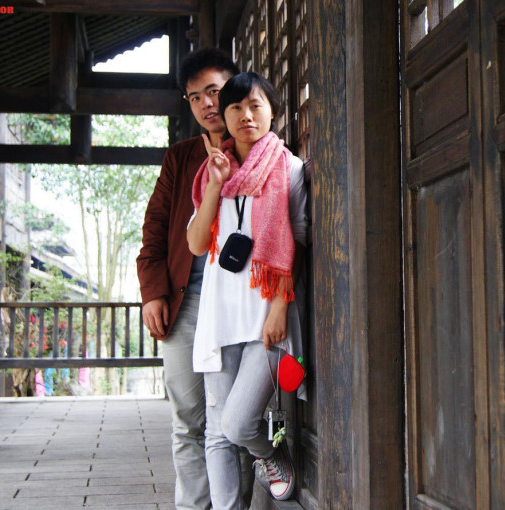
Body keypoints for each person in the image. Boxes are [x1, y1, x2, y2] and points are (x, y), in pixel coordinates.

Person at [187, 71, 308, 508]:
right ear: (224, 117)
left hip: (266, 317)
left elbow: (298, 239)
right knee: (217, 434)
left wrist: (279, 307)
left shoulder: (289, 169)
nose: (246, 115)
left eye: (256, 105)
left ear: (272, 112)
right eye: (235, 107)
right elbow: (197, 243)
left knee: (237, 424)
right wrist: (216, 184)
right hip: (220, 316)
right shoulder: (212, 172)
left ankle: (270, 454)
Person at [136, 48, 240, 510]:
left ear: (234, 87)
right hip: (187, 299)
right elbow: (155, 229)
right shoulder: (180, 158)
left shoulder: (256, 149)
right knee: (187, 419)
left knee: (233, 419)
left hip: (239, 300)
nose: (206, 104)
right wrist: (153, 293)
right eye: (195, 97)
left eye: (213, 91)